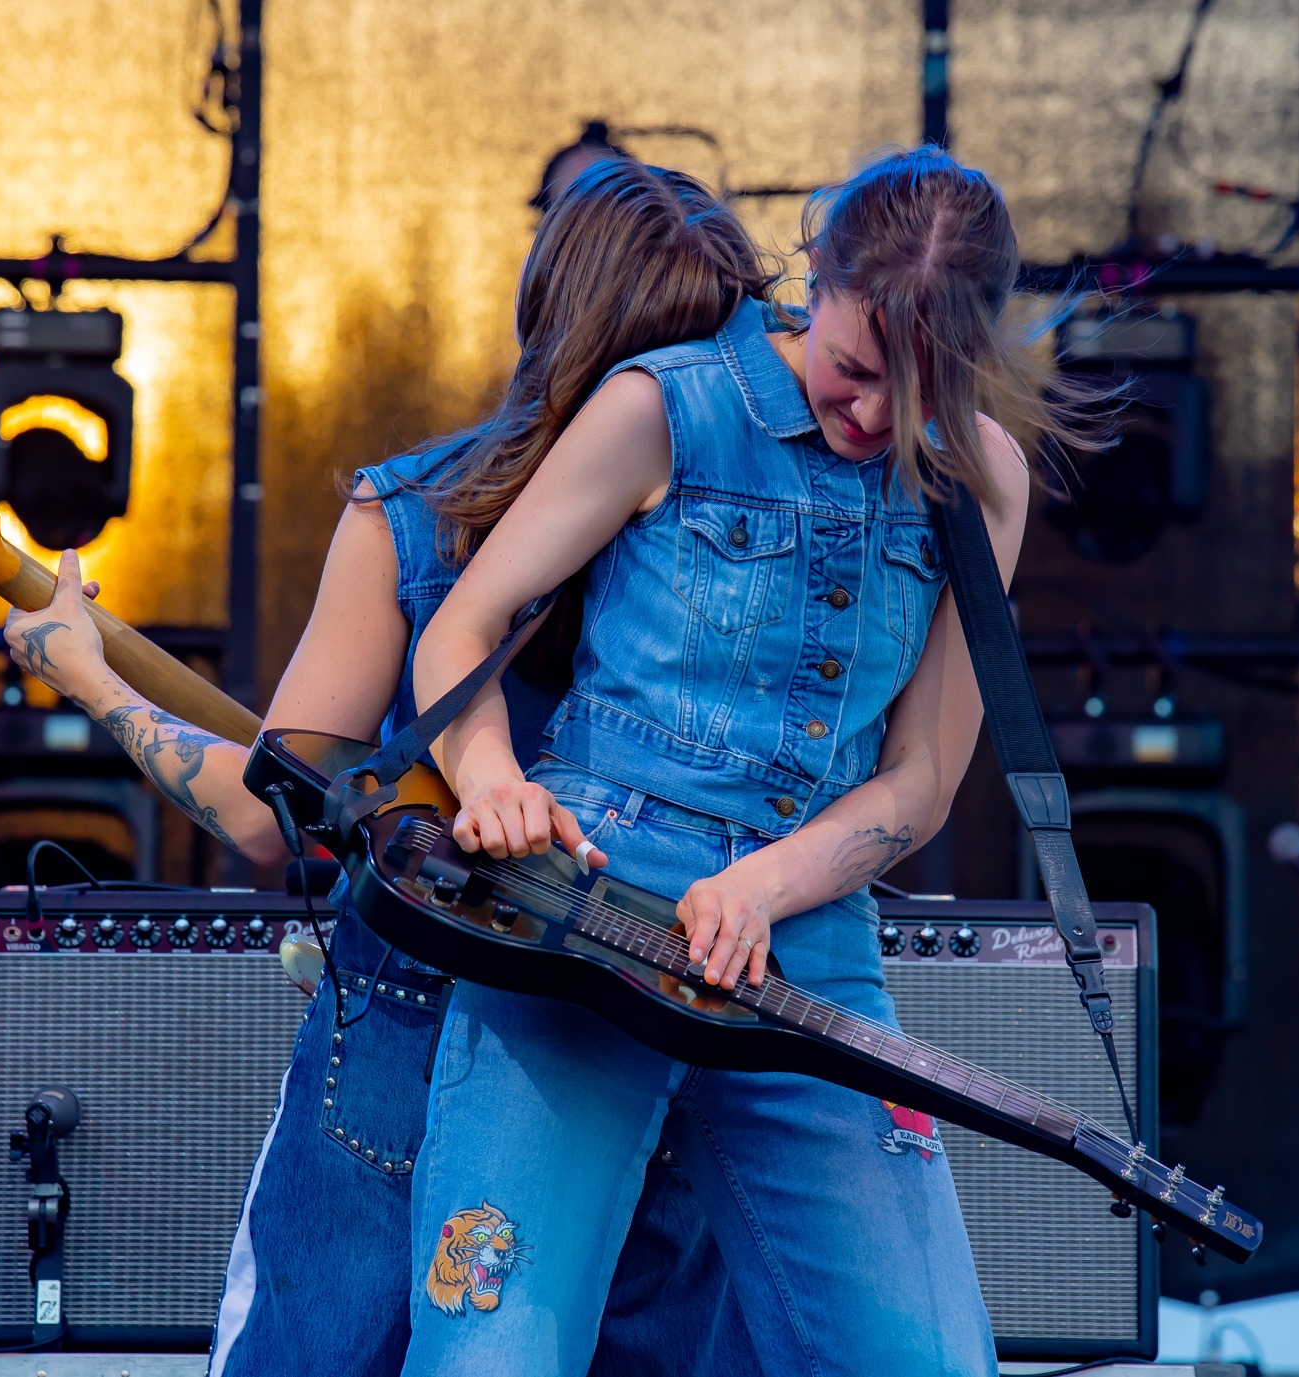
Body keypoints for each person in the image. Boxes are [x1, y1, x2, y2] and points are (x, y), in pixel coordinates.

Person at [1, 158, 777, 1377]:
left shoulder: (418, 510)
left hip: (416, 1024)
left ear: (548, 317)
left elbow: (265, 820)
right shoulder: (765, 544)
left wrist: (90, 678)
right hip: (661, 1015)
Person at [407, 146, 1098, 1376]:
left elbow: (922, 782)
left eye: (921, 390)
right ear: (814, 275)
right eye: (853, 368)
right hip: (585, 899)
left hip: (807, 942)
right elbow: (460, 631)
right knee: (491, 1352)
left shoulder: (980, 476)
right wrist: (494, 782)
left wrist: (765, 887)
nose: (876, 417)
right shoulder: (664, 405)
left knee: (926, 1363)